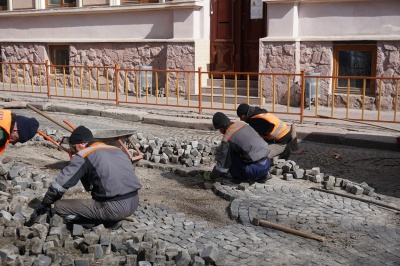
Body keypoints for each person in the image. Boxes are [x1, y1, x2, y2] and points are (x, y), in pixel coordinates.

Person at [33, 126, 142, 229]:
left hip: (113, 208)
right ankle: (110, 218)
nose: (73, 151)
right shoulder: (116, 149)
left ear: (83, 143)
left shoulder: (84, 154)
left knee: (59, 207)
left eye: (74, 147)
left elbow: (60, 184)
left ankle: (98, 222)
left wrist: (45, 203)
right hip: (134, 202)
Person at [209, 112, 271, 184]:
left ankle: (240, 179)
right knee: (240, 151)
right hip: (267, 164)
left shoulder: (227, 139)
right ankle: (262, 175)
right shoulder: (243, 124)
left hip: (254, 170)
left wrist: (211, 176)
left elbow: (222, 166)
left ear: (220, 128)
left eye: (219, 130)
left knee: (231, 156)